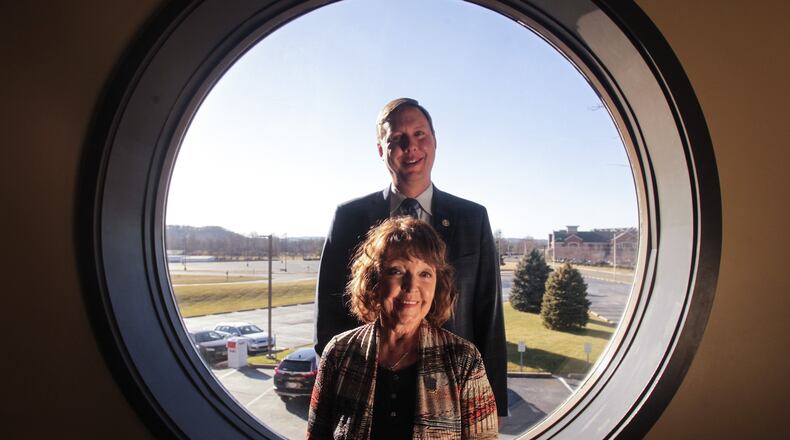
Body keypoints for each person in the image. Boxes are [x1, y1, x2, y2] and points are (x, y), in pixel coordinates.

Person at [314, 98, 508, 417]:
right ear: (381, 150)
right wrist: (334, 388)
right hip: (367, 394)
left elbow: (489, 314)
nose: (411, 147)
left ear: (434, 141)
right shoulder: (349, 217)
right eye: (397, 139)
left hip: (452, 395)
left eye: (420, 134)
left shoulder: (473, 218)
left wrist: (492, 405)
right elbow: (329, 312)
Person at [307, 218, 498, 439]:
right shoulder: (339, 352)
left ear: (438, 283)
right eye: (397, 271)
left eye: (425, 274)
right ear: (373, 280)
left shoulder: (464, 360)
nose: (411, 286)